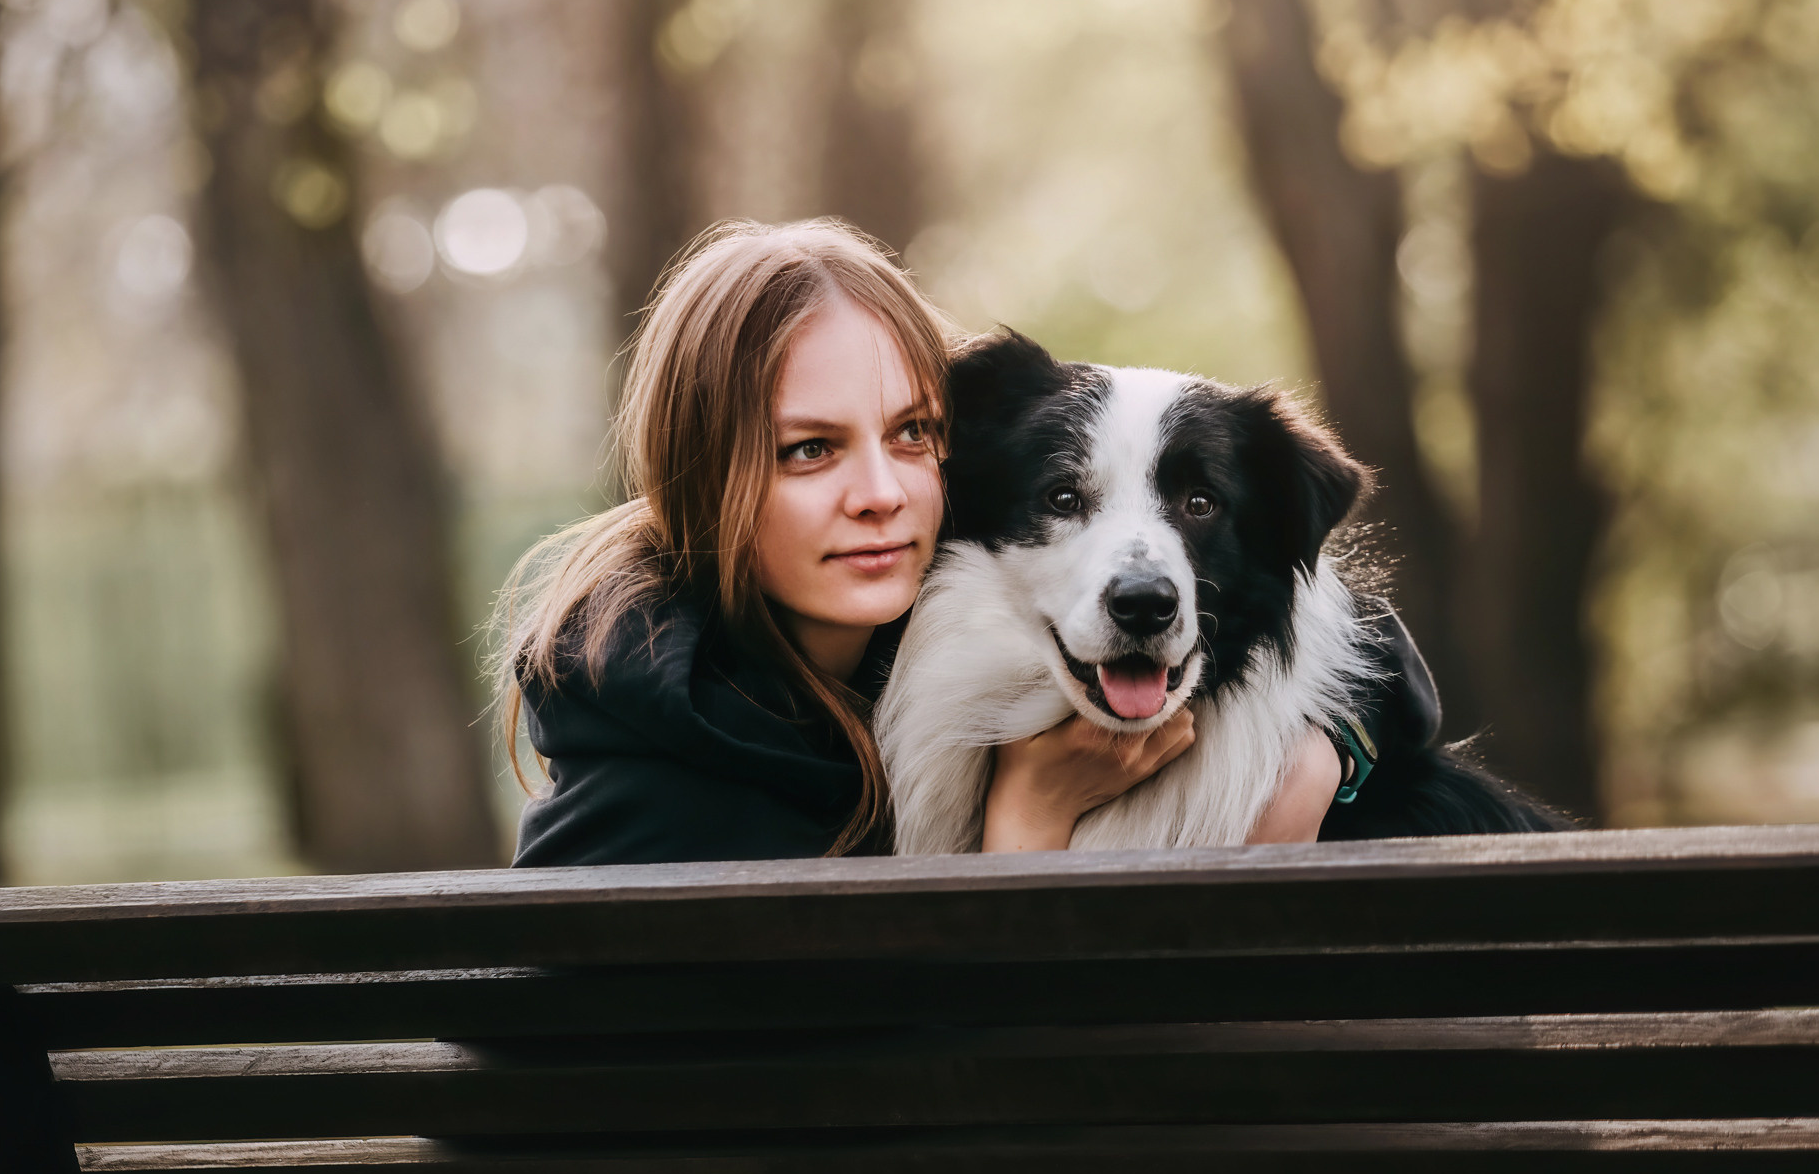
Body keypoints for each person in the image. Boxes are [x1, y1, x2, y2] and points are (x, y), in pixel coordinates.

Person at [498, 219, 1346, 867]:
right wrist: (1027, 826)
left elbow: (1342, 634)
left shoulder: (927, 626)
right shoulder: (662, 787)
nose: (880, 495)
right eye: (809, 450)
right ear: (705, 475)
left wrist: (1337, 751)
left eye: (910, 434)